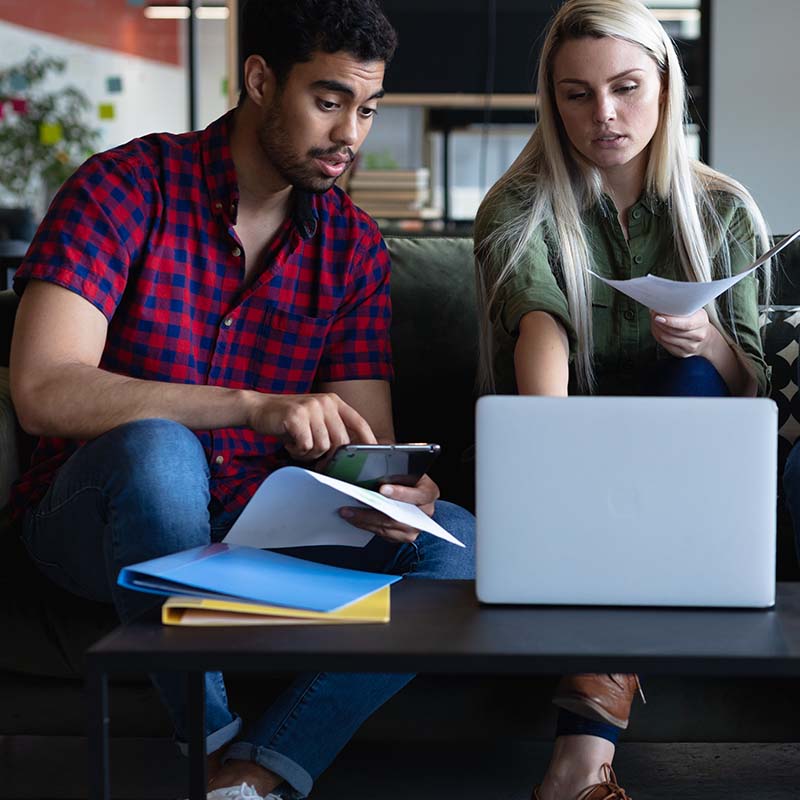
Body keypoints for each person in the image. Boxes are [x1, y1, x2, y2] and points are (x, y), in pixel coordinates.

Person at [8, 1, 475, 798]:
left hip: (255, 529)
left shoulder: (353, 246)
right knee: (161, 453)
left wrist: (394, 487)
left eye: (366, 109)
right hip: (103, 520)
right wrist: (250, 404)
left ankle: (257, 773)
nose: (349, 135)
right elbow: (43, 389)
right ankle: (212, 732)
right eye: (328, 102)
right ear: (260, 80)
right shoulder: (123, 188)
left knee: (460, 544)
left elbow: (366, 437)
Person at [473, 0, 770, 797]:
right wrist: (554, 459)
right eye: (577, 94)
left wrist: (704, 337)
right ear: (553, 99)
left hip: (704, 466)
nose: (603, 115)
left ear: (667, 86)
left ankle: (578, 761)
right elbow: (541, 326)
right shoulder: (520, 205)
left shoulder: (725, 208)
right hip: (580, 447)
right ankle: (581, 762)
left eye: (627, 87)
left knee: (696, 378)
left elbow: (750, 394)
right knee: (607, 473)